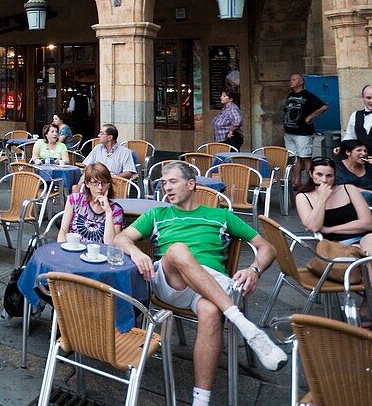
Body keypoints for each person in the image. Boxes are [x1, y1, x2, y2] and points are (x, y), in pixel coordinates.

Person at [114, 163, 288, 405]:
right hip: (171, 284)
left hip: (210, 285)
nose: (166, 188)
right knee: (176, 250)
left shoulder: (222, 215)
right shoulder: (157, 214)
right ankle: (245, 326)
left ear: (191, 184)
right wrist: (135, 252)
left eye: (172, 181)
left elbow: (267, 247)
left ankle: (201, 400)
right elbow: (120, 238)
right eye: (163, 183)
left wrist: (254, 269)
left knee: (210, 311)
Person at [296, 159, 372, 255]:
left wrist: (330, 229)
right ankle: (358, 253)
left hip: (363, 237)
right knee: (351, 255)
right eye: (319, 175)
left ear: (334, 176)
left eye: (329, 176)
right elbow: (313, 226)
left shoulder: (348, 189)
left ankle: (366, 261)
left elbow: (368, 224)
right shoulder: (303, 197)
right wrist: (322, 199)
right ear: (311, 174)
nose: (324, 180)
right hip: (334, 244)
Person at [59, 162, 123, 245]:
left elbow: (110, 244)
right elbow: (63, 233)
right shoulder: (75, 200)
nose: (100, 187)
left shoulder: (116, 210)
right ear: (87, 184)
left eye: (104, 183)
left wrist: (108, 212)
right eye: (95, 183)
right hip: (73, 252)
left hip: (100, 255)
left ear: (109, 185)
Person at [283, 73, 328, 189]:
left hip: (302, 132)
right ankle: (297, 182)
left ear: (301, 82)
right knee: (295, 158)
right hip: (289, 132)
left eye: (294, 79)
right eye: (290, 79)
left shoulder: (307, 95)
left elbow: (323, 107)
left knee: (306, 158)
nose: (291, 81)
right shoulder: (291, 95)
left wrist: (311, 116)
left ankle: (311, 183)